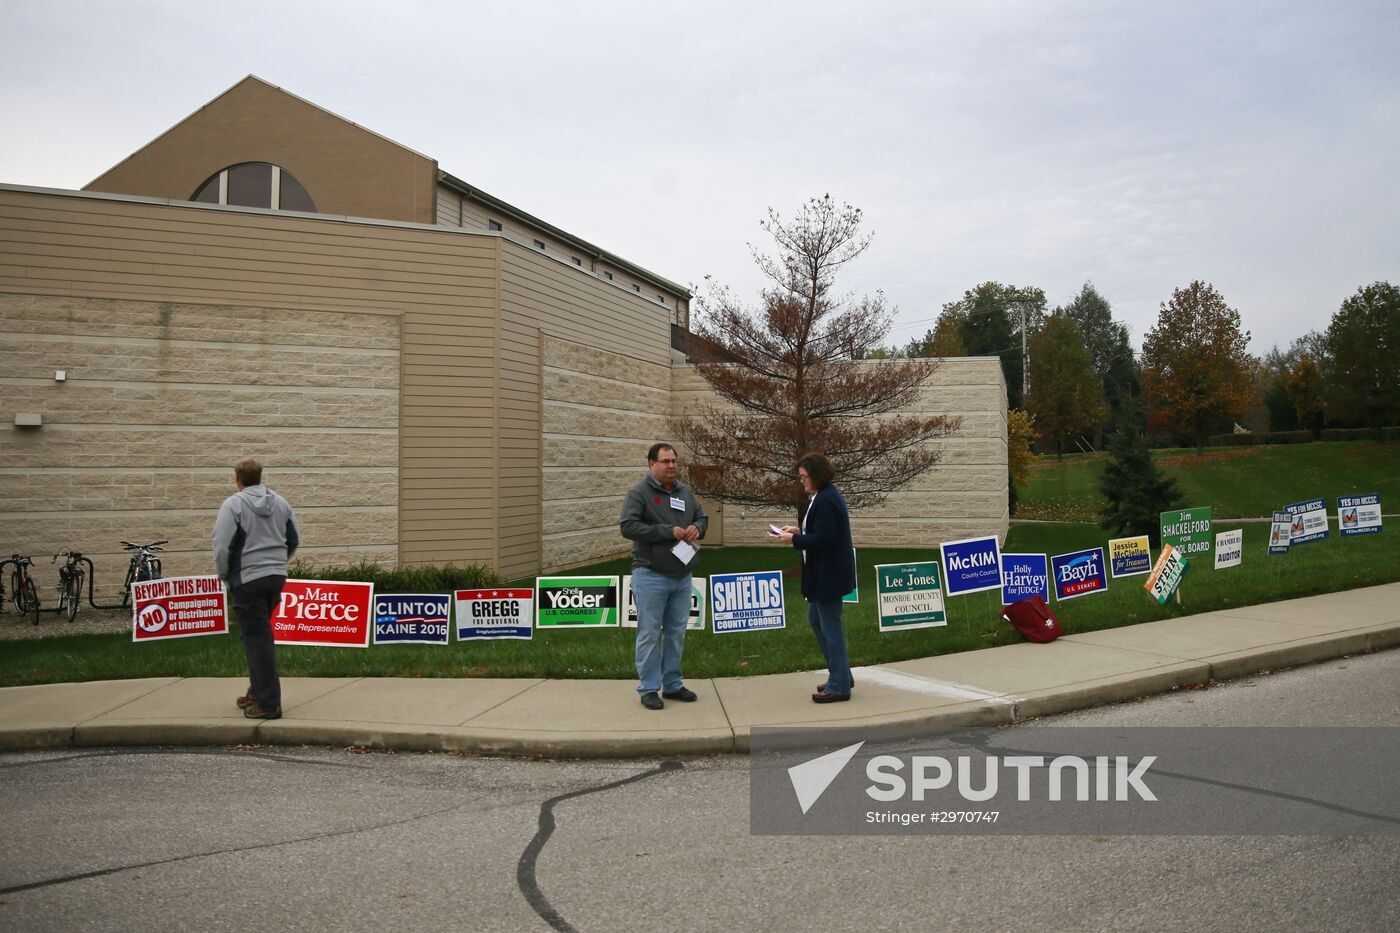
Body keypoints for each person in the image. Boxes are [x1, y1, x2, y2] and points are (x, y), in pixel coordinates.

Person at [619, 443, 708, 710]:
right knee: (649, 633)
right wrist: (667, 532)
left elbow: (702, 517)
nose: (671, 466)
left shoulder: (683, 491)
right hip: (651, 574)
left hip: (682, 575)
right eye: (666, 461)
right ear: (651, 464)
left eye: (674, 462)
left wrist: (696, 528)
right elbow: (628, 526)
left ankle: (672, 684)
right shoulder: (639, 492)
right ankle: (648, 688)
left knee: (676, 632)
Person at [213, 457, 299, 720]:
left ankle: (269, 703)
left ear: (237, 479)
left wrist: (224, 575)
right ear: (260, 477)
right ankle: (256, 690)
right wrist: (276, 564)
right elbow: (293, 538)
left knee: (257, 637)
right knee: (255, 634)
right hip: (275, 576)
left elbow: (222, 545)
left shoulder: (233, 505)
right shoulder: (280, 502)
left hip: (247, 578)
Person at [778, 452, 856, 703]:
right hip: (823, 574)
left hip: (828, 575)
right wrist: (799, 531)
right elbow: (822, 531)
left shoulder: (826, 500)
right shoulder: (823, 497)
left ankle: (840, 686)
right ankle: (841, 675)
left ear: (816, 475)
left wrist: (795, 539)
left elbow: (824, 539)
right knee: (816, 619)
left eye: (804, 477)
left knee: (830, 627)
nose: (801, 481)